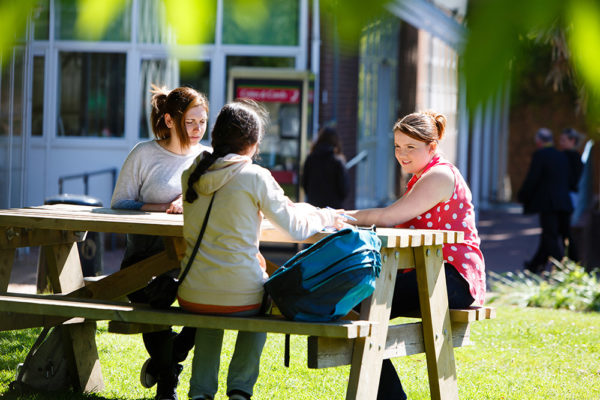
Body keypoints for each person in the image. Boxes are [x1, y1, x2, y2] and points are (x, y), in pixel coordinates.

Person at [177, 99, 346, 400]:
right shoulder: (254, 176)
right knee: (265, 293)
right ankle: (240, 389)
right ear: (254, 143)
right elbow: (295, 227)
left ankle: (200, 392)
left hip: (191, 293)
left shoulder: (192, 171)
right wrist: (327, 216)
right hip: (239, 296)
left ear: (215, 137)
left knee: (212, 298)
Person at [346, 111, 485, 400]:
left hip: (452, 280)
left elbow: (388, 217)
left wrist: (336, 216)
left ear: (432, 147)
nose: (402, 154)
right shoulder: (425, 175)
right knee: (358, 309)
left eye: (411, 147)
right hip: (433, 273)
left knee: (355, 306)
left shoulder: (439, 176)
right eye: (397, 146)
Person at [111, 85, 210, 400]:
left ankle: (172, 358)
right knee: (153, 296)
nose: (197, 130)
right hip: (144, 261)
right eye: (190, 122)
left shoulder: (207, 158)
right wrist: (164, 207)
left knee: (218, 297)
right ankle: (168, 380)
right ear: (169, 120)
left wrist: (188, 200)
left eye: (202, 122)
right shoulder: (144, 153)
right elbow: (119, 203)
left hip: (193, 260)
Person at [518, 128, 573, 273]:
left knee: (550, 236)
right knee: (550, 235)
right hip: (564, 202)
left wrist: (523, 195)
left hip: (549, 203)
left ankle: (562, 267)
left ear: (539, 142)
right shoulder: (561, 156)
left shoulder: (540, 154)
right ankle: (535, 265)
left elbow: (533, 178)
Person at [301, 126, 350, 208]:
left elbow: (304, 183)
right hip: (333, 208)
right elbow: (344, 189)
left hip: (313, 206)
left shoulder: (310, 159)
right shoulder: (337, 161)